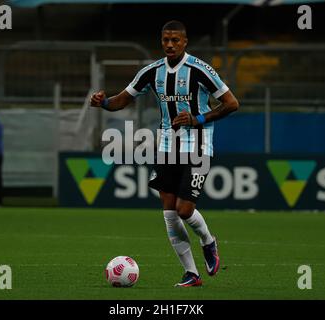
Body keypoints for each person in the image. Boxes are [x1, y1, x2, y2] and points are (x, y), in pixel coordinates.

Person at [90, 20, 239, 287]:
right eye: (165, 40)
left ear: (185, 42)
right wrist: (104, 103)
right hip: (167, 147)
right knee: (169, 213)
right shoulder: (152, 71)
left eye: (175, 40)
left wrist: (198, 118)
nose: (170, 45)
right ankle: (191, 274)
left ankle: (208, 241)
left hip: (198, 146)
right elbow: (123, 99)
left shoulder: (200, 70)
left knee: (184, 210)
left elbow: (231, 103)